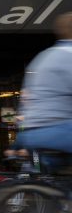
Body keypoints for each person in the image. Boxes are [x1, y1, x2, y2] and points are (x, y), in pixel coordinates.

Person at [15, 13, 72, 155]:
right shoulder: (69, 54)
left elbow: (25, 101)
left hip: (30, 134)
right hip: (60, 132)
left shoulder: (42, 57)